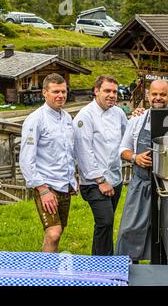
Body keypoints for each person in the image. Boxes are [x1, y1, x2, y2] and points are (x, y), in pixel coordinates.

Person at [19, 73, 77, 252]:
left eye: (63, 91)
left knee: (58, 232)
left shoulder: (67, 118)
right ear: (45, 93)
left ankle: (49, 271)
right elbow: (26, 159)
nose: (60, 95)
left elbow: (68, 151)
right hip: (46, 185)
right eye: (55, 91)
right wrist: (43, 190)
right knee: (53, 232)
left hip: (65, 185)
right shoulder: (35, 120)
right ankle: (44, 278)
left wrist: (73, 179)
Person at [115, 79, 168, 263]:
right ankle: (129, 270)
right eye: (154, 94)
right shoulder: (137, 119)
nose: (158, 98)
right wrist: (135, 158)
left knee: (164, 232)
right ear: (148, 96)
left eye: (162, 94)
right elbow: (123, 149)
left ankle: (162, 270)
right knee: (129, 230)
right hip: (141, 183)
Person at [73, 75, 128, 255]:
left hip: (115, 178)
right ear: (96, 91)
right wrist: (100, 180)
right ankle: (99, 266)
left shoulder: (118, 113)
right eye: (107, 91)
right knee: (104, 221)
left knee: (108, 223)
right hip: (94, 181)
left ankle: (106, 261)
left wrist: (137, 116)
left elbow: (126, 138)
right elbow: (83, 152)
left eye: (114, 91)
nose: (112, 95)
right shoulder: (85, 116)